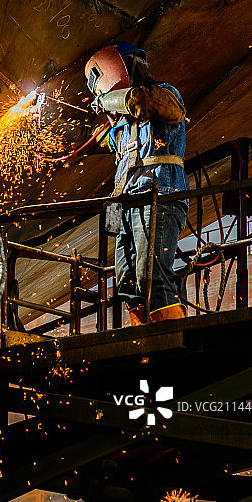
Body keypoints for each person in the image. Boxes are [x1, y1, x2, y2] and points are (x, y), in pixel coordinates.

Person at [85, 42, 189, 325]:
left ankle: (168, 335)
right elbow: (93, 140)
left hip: (159, 197)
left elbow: (144, 102)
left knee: (150, 274)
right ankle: (142, 338)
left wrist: (106, 102)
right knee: (127, 280)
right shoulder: (120, 128)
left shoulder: (165, 96)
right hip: (127, 205)